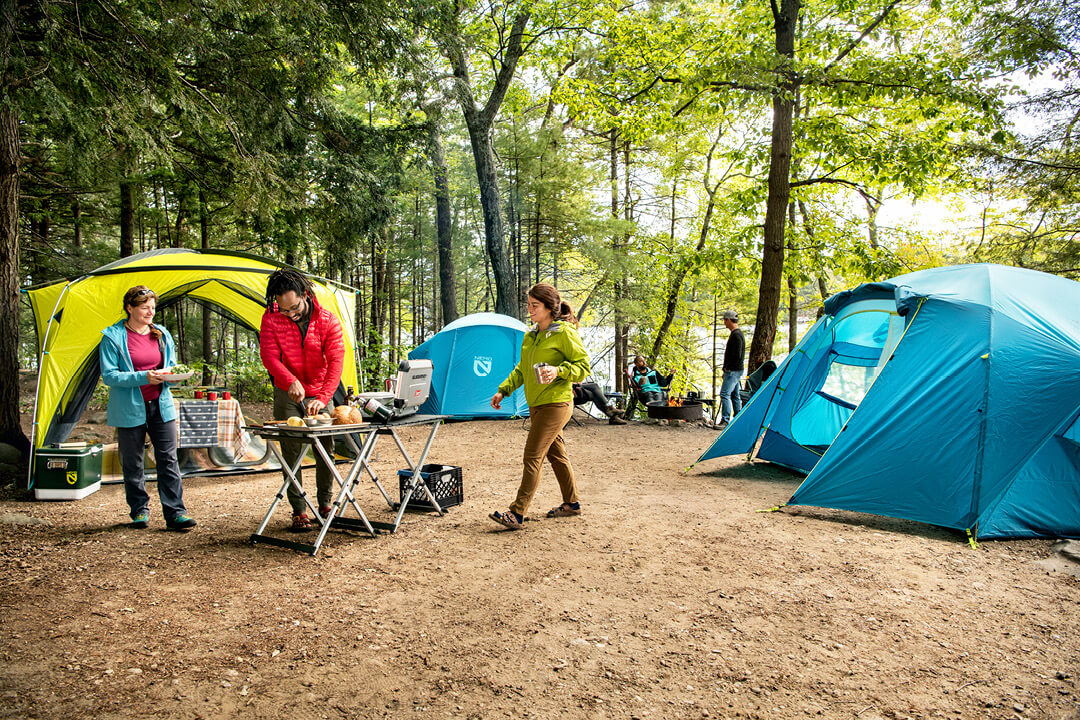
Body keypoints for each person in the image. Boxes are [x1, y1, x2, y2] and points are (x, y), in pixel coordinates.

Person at [489, 283, 591, 530]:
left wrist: (558, 371)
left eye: (535, 306)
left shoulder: (564, 333)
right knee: (557, 456)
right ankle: (572, 504)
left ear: (549, 308)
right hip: (536, 405)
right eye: (529, 305)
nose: (530, 310)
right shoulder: (530, 336)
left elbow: (583, 367)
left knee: (532, 456)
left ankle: (517, 513)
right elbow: (522, 370)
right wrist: (503, 390)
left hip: (556, 404)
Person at [99, 286, 196, 531]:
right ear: (130, 308)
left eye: (153, 307)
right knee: (133, 461)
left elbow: (171, 366)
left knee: (168, 459)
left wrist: (173, 376)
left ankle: (175, 513)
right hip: (129, 407)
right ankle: (139, 511)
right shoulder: (112, 337)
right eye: (144, 308)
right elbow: (110, 376)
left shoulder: (161, 334)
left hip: (161, 405)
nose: (150, 312)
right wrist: (144, 377)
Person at [259, 268, 345, 532]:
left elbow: (336, 361)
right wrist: (289, 381)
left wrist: (322, 397)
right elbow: (270, 357)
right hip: (288, 391)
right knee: (292, 452)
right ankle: (299, 509)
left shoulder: (328, 320)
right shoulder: (272, 319)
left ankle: (325, 503)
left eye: (294, 307)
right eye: (284, 309)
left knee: (324, 450)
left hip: (321, 390)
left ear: (305, 295)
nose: (290, 314)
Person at [719, 309, 745, 428]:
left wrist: (728, 368)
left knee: (725, 394)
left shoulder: (736, 335)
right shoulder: (736, 334)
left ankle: (725, 420)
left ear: (729, 320)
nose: (724, 323)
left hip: (733, 371)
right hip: (735, 370)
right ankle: (738, 419)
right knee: (735, 395)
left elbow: (737, 355)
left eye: (725, 320)